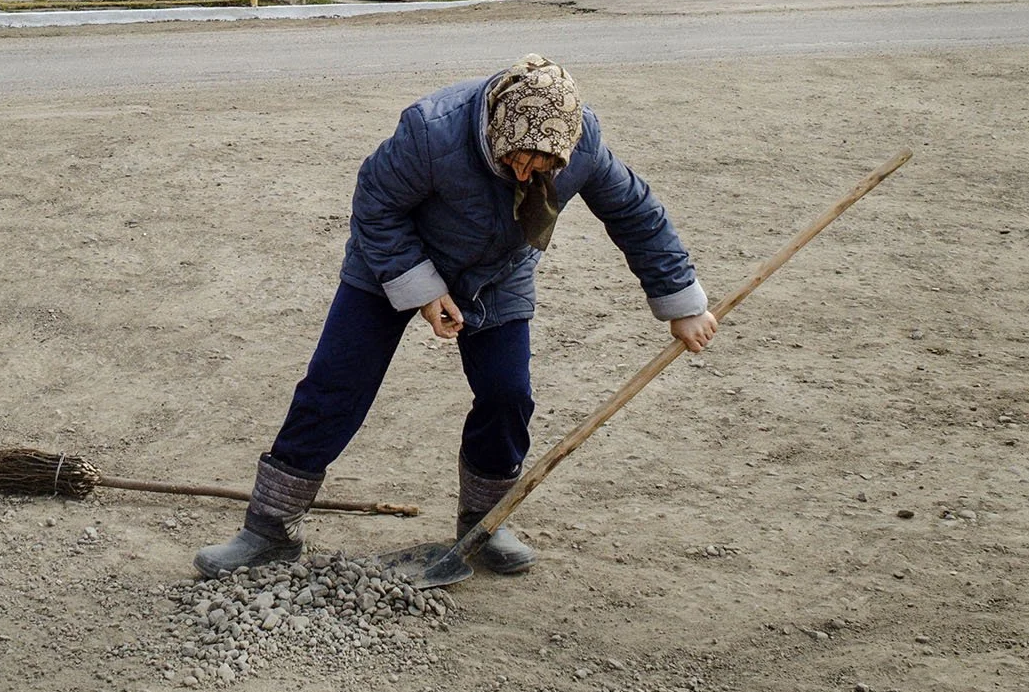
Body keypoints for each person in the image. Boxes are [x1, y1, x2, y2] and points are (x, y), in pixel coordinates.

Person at [196, 54, 717, 579]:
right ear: (494, 127)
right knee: (335, 386)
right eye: (514, 158)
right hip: (391, 263)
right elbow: (376, 203)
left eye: (540, 166)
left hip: (497, 273)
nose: (523, 172)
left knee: (507, 395)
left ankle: (482, 524)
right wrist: (423, 290)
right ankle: (270, 528)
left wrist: (682, 304)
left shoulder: (582, 145)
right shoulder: (432, 131)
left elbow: (636, 214)